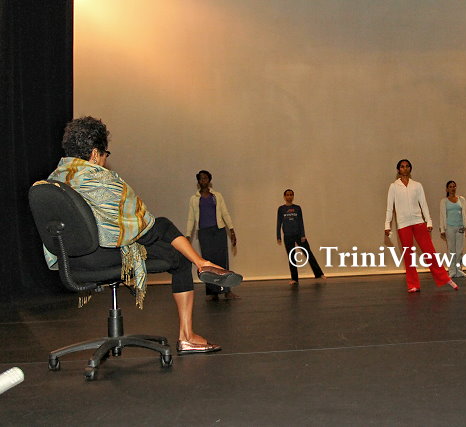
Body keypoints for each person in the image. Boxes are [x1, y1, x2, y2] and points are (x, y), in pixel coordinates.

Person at [43, 116, 242, 355]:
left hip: (73, 262)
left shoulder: (53, 181)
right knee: (172, 245)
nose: (105, 161)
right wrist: (157, 231)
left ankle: (201, 263)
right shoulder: (104, 182)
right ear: (95, 154)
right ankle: (189, 327)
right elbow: (144, 232)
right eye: (105, 154)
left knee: (163, 230)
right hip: (105, 257)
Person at [384, 159, 458, 293]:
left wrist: (428, 221)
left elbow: (423, 204)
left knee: (429, 251)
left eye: (407, 166)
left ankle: (445, 278)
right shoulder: (393, 187)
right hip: (403, 224)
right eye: (402, 166)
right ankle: (413, 284)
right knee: (408, 255)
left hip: (418, 222)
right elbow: (390, 207)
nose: (405, 168)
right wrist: (387, 224)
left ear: (410, 169)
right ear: (398, 170)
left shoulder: (417, 185)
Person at [186, 170, 239, 300]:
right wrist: (188, 235)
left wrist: (231, 230)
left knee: (222, 260)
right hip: (204, 233)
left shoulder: (217, 196)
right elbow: (191, 218)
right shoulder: (194, 199)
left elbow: (225, 213)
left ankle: (227, 291)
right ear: (198, 181)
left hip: (218, 231)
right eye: (201, 178)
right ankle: (212, 292)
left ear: (209, 180)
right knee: (208, 263)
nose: (203, 180)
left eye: (205, 178)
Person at [276, 189, 325, 286]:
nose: (289, 196)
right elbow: (279, 223)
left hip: (299, 235)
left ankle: (319, 274)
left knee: (308, 253)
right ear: (284, 197)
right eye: (287, 195)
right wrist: (278, 236)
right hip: (288, 236)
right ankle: (294, 279)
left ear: (293, 196)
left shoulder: (297, 208)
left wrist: (303, 235)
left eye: (291, 195)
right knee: (292, 257)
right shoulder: (281, 209)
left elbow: (301, 222)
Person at [439, 180, 466, 278]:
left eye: (454, 186)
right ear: (447, 189)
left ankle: (459, 270)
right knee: (451, 250)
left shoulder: (462, 200)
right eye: (450, 187)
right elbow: (442, 216)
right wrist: (442, 229)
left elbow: (465, 213)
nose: (452, 188)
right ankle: (452, 271)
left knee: (459, 250)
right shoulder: (444, 201)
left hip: (460, 227)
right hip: (449, 228)